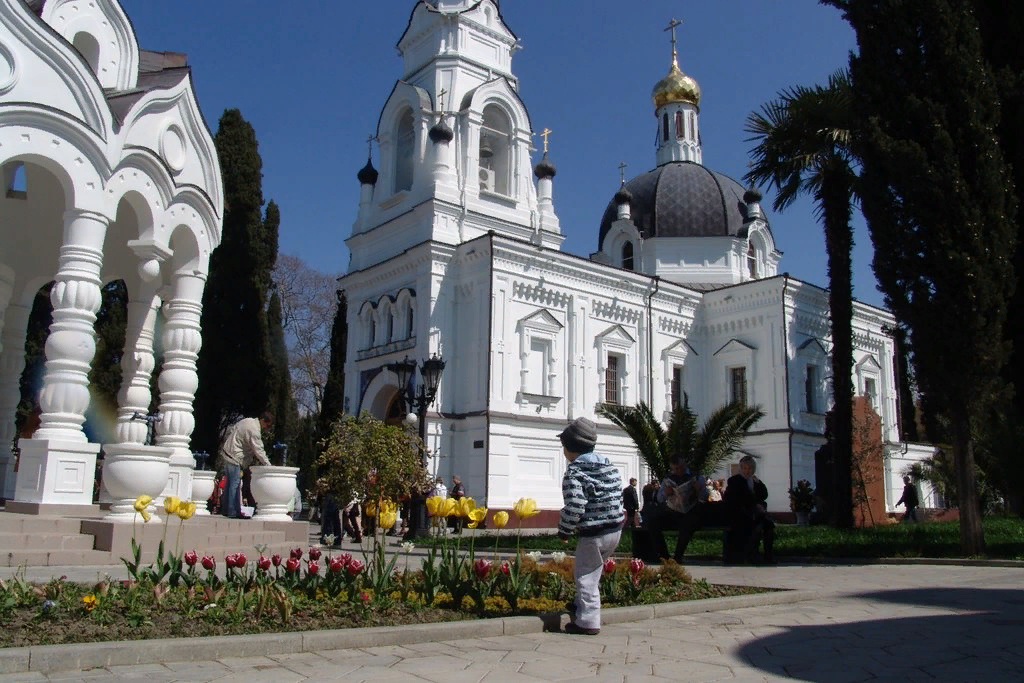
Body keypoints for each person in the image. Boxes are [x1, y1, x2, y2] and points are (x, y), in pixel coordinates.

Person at [557, 417, 624, 636]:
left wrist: (565, 529)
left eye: (564, 447)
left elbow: (575, 504)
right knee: (593, 571)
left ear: (571, 449)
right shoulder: (609, 466)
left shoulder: (575, 472)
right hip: (615, 529)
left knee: (585, 575)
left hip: (593, 533)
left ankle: (587, 622)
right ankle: (579, 605)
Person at [217, 410, 273, 519]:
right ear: (263, 421)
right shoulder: (254, 431)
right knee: (235, 484)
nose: (267, 428)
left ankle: (226, 510)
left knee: (230, 483)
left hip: (228, 452)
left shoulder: (248, 421)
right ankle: (233, 512)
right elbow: (259, 450)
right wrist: (268, 465)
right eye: (268, 425)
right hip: (235, 456)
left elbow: (233, 429)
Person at [724, 455, 775, 565]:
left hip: (756, 513)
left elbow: (764, 495)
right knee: (754, 527)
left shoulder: (755, 480)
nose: (747, 471)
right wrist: (755, 504)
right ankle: (752, 555)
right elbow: (738, 498)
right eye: (745, 468)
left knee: (769, 525)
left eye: (750, 468)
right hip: (741, 513)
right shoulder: (734, 480)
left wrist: (758, 484)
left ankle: (768, 555)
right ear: (741, 469)